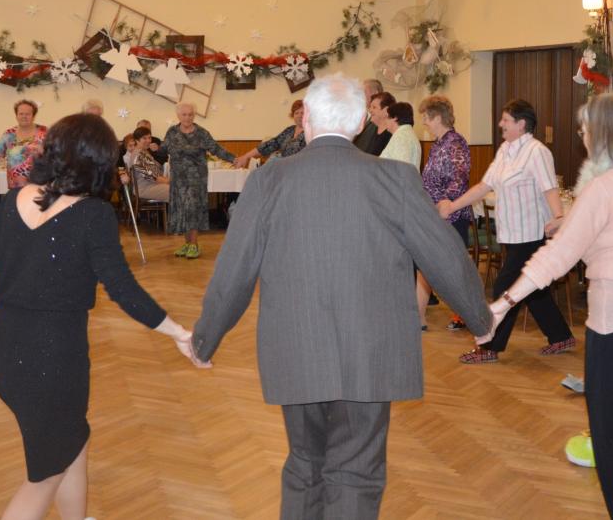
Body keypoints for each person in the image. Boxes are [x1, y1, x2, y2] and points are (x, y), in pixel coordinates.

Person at [190, 74, 492, 518]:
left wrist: (205, 339)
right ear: (358, 123)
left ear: (306, 119)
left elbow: (233, 271)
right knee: (356, 473)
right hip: (370, 352)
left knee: (304, 465)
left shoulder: (268, 180)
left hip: (297, 348)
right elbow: (444, 255)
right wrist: (481, 320)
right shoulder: (395, 178)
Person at [0, 114, 192, 518]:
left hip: (4, 349)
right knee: (45, 475)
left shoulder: (15, 200)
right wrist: (178, 332)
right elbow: (123, 289)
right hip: (53, 357)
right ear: (98, 161)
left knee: (72, 440)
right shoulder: (93, 214)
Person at [489, 95, 613, 518]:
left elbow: (556, 258)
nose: (582, 137)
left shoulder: (604, 186)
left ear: (602, 132)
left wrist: (503, 303)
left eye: (584, 129)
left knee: (610, 439)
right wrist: (577, 223)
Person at [440, 99, 575, 364]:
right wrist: (453, 206)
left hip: (532, 234)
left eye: (506, 120)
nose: (500, 124)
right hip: (511, 234)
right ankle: (561, 336)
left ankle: (490, 346)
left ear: (521, 124)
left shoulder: (537, 152)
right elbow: (484, 186)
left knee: (505, 289)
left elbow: (550, 188)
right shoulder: (505, 149)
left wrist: (559, 218)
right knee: (532, 289)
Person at [419, 95, 473, 331]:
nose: (424, 122)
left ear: (438, 117)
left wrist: (443, 204)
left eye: (426, 117)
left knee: (455, 270)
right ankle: (418, 317)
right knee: (425, 266)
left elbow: (459, 181)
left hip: (451, 217)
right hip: (435, 215)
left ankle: (468, 314)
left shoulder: (455, 143)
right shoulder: (438, 144)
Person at [164, 102, 236, 259]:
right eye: (184, 114)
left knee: (193, 209)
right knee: (183, 210)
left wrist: (233, 159)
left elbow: (216, 149)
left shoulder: (202, 133)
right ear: (178, 115)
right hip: (178, 180)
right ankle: (187, 243)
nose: (187, 117)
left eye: (190, 114)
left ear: (194, 115)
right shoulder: (171, 132)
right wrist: (152, 148)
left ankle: (194, 244)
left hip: (196, 178)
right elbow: (164, 150)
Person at [0, 99, 48, 211]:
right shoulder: (9, 134)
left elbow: (55, 154)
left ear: (33, 116)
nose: (24, 116)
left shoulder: (44, 132)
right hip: (15, 187)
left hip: (38, 186)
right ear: (16, 115)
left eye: (28, 114)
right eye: (21, 113)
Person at [235, 100, 306, 167]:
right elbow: (270, 144)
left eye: (302, 113)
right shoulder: (289, 130)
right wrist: (246, 157)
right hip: (284, 169)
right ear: (293, 115)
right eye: (296, 113)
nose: (299, 115)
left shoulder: (310, 132)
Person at [130, 127, 170, 202]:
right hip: (145, 188)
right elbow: (154, 178)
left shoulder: (144, 152)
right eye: (144, 138)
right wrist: (171, 182)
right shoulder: (139, 155)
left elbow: (156, 174)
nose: (148, 140)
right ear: (137, 140)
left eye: (149, 138)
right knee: (176, 190)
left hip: (150, 185)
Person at [379, 102, 421, 169]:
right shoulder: (406, 134)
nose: (385, 121)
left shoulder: (401, 137)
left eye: (387, 117)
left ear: (395, 118)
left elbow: (401, 169)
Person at [351, 79, 386, 154]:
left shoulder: (380, 119)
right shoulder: (365, 114)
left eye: (364, 92)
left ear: (375, 93)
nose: (361, 96)